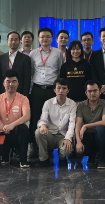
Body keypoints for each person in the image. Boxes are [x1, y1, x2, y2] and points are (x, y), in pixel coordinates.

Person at [28, 27, 64, 159]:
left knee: (52, 117)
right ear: (38, 39)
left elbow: (60, 71)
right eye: (42, 36)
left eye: (48, 36)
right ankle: (34, 146)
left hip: (52, 90)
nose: (45, 39)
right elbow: (31, 72)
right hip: (37, 89)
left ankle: (50, 146)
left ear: (52, 38)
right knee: (36, 117)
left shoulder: (58, 53)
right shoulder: (33, 53)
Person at [0, 71, 31, 168]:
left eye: (14, 81)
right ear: (3, 83)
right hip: (2, 133)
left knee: (23, 129)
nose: (11, 84)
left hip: (16, 133)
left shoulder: (23, 99)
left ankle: (23, 160)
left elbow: (27, 116)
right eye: (8, 81)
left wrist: (12, 125)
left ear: (18, 83)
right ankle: (6, 153)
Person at [35, 78, 77, 166]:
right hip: (50, 134)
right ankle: (43, 159)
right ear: (54, 90)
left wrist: (68, 138)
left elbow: (72, 123)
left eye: (64, 88)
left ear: (68, 90)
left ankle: (62, 157)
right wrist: (42, 125)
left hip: (63, 136)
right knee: (39, 132)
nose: (61, 91)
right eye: (58, 88)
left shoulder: (72, 104)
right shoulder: (48, 103)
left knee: (66, 151)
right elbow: (42, 119)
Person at [75, 80, 105, 169]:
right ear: (86, 93)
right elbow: (78, 125)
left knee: (100, 129)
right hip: (87, 136)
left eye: (95, 91)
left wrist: (86, 125)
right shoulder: (81, 105)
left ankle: (102, 159)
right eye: (90, 91)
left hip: (100, 136)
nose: (92, 93)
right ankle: (91, 157)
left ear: (100, 92)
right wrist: (78, 142)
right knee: (79, 152)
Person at [0, 31, 32, 95]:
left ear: (19, 41)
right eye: (11, 39)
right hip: (4, 92)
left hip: (19, 92)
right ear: (7, 42)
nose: (13, 42)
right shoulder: (1, 58)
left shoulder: (25, 58)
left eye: (16, 40)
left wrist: (25, 95)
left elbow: (27, 79)